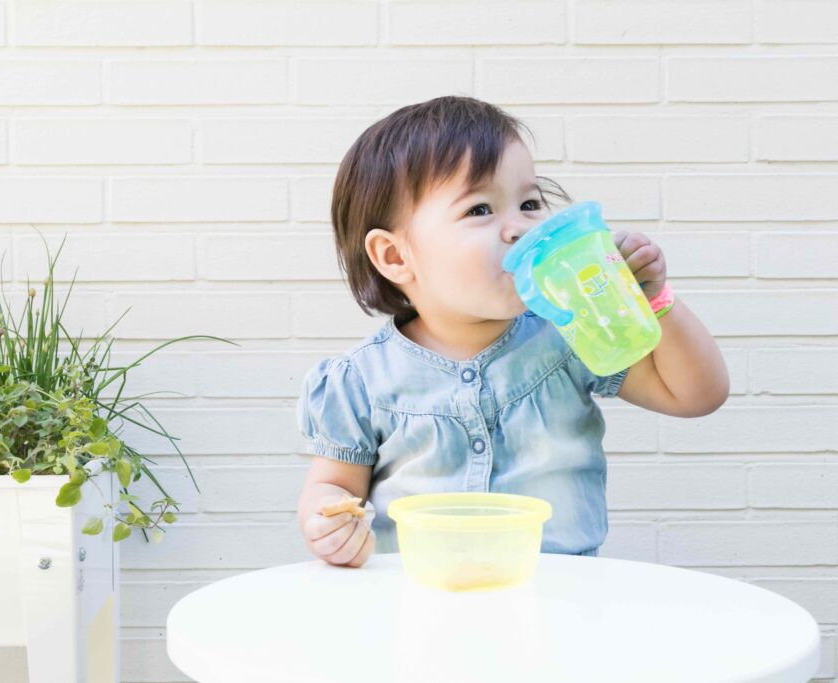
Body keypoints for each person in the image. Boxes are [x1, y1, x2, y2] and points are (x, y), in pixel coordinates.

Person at [295, 95, 729, 567]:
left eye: (528, 203)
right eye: (480, 209)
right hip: (421, 598)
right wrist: (329, 520)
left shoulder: (567, 335)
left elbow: (696, 395)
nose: (520, 228)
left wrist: (652, 303)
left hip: (560, 598)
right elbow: (333, 485)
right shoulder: (361, 380)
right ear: (396, 257)